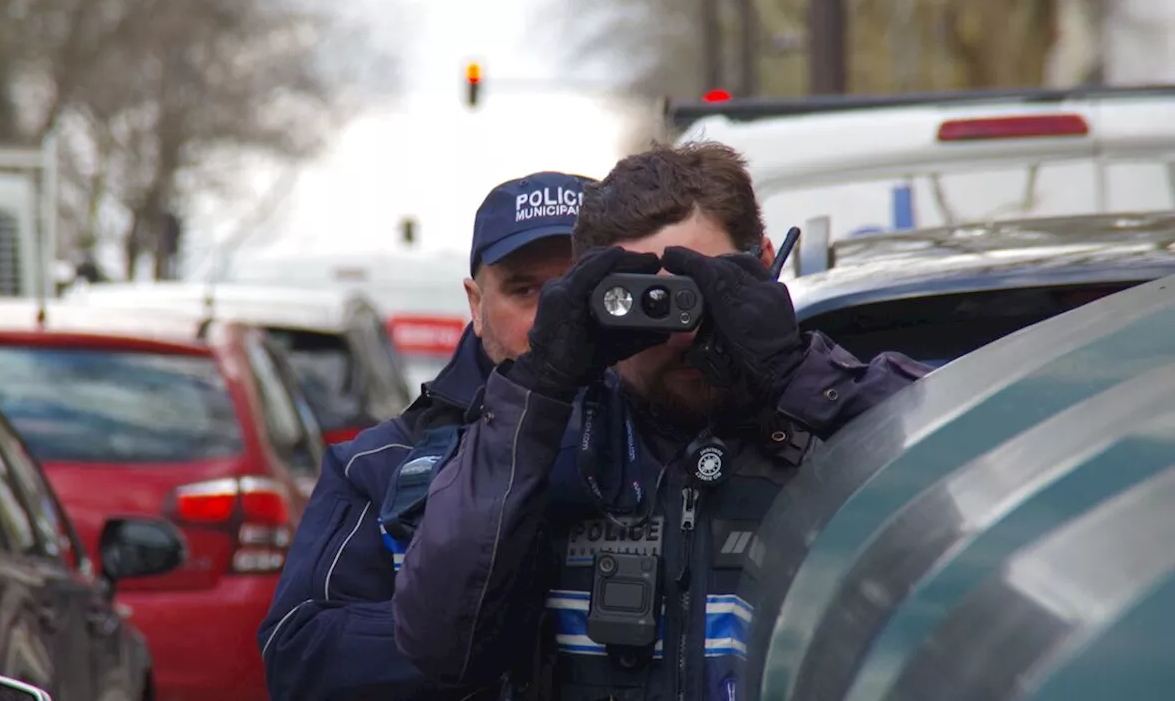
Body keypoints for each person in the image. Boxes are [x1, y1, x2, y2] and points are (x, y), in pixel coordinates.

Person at [391, 141, 934, 700]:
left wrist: (793, 375)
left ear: (766, 260)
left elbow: (972, 522)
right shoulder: (548, 443)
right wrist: (539, 386)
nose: (681, 330)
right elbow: (439, 645)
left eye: (707, 290)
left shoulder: (857, 408)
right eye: (648, 298)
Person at [257, 171, 595, 700]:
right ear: (476, 306)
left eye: (577, 289)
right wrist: (481, 623)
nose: (552, 319)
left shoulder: (685, 444)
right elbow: (299, 654)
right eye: (524, 290)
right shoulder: (379, 464)